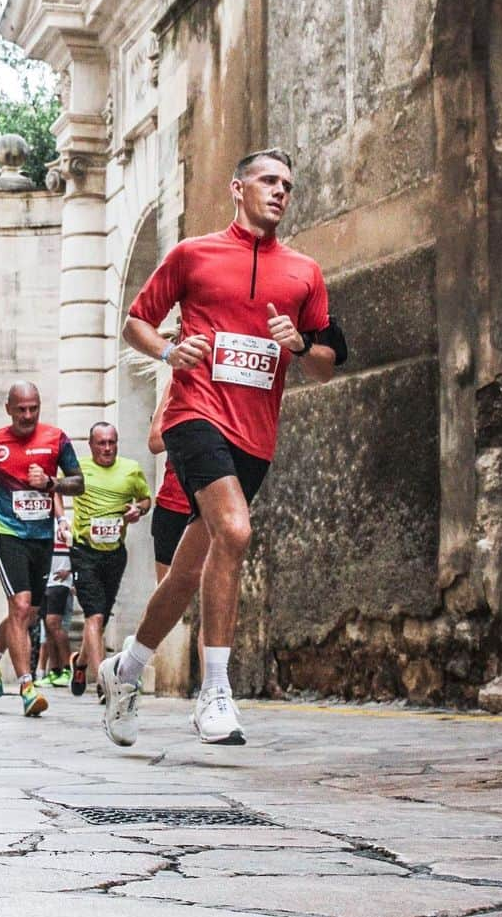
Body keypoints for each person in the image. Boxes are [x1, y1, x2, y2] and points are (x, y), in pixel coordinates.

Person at [102, 147, 341, 747]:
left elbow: (328, 366)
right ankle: (216, 691)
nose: (280, 191)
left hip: (255, 434)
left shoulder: (305, 273)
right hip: (194, 414)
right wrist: (166, 351)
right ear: (238, 189)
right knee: (235, 531)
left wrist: (297, 347)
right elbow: (136, 319)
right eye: (268, 180)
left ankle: (124, 670)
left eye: (287, 183)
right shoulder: (192, 255)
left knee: (184, 575)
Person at [0, 381, 83, 718]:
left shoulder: (56, 439)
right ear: (8, 409)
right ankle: (26, 686)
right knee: (19, 606)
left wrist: (50, 483)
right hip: (7, 530)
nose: (28, 415)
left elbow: (78, 482)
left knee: (28, 614)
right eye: (21, 409)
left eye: (33, 408)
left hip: (41, 534)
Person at [68, 424, 151, 697]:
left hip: (115, 552)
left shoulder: (131, 469)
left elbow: (146, 499)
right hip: (84, 551)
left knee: (99, 622)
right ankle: (105, 684)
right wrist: (60, 520)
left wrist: (137, 509)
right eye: (101, 443)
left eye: (112, 443)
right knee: (95, 615)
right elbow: (56, 490)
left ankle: (79, 663)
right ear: (91, 445)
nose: (107, 448)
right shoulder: (77, 468)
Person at [148, 382, 193, 583]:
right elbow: (155, 441)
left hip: (217, 504)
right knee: (168, 593)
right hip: (174, 504)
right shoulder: (180, 378)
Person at [41, 507, 73, 686]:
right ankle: (54, 670)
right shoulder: (39, 522)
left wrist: (70, 572)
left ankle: (68, 668)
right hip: (45, 579)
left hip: (60, 581)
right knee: (48, 626)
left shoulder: (66, 523)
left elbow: (78, 549)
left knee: (54, 623)